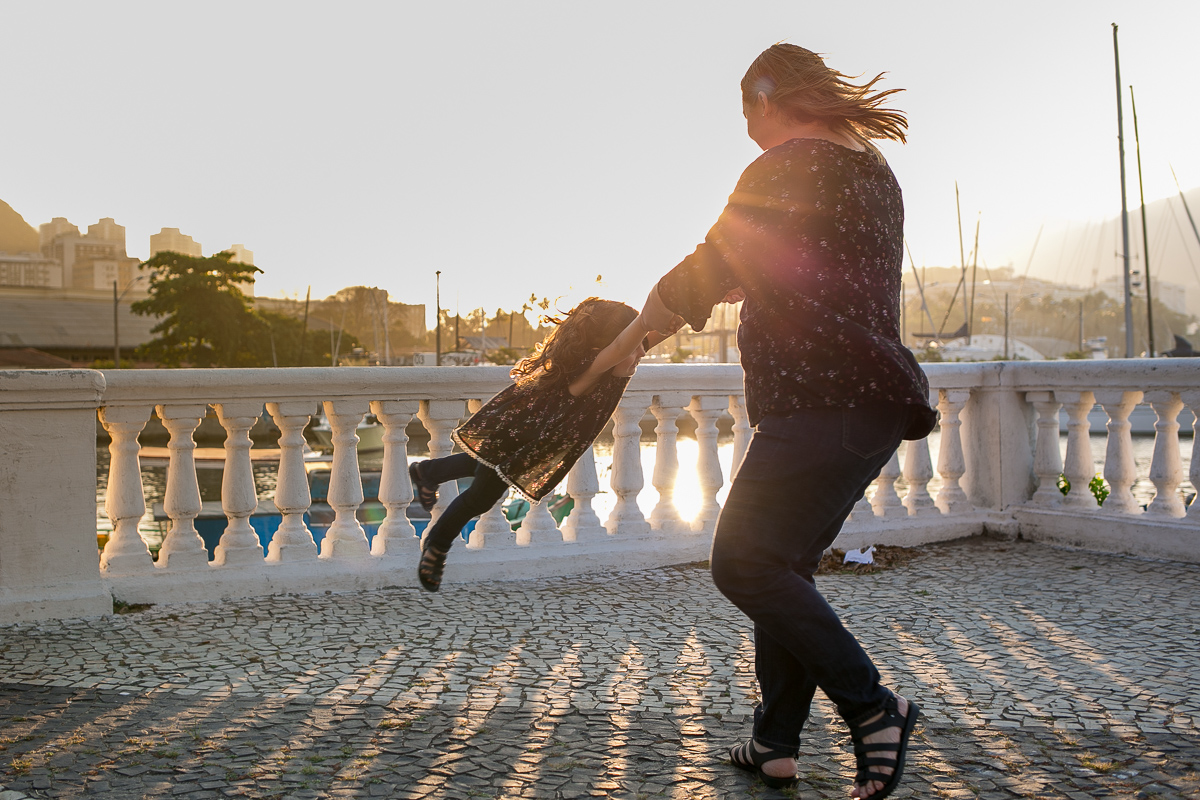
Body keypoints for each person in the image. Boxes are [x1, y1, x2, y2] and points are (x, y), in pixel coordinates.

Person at [637, 44, 938, 800]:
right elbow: (813, 264)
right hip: (869, 403)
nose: (747, 133)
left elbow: (699, 273)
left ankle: (874, 708)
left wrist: (623, 345)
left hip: (820, 402)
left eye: (748, 113)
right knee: (781, 565)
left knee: (743, 563)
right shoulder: (872, 170)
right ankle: (775, 740)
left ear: (770, 98)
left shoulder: (784, 164)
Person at [409, 297, 681, 592]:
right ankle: (437, 545)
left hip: (533, 434)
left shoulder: (617, 364)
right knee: (481, 497)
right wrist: (646, 319)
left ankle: (427, 472)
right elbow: (621, 347)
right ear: (604, 350)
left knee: (479, 464)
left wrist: (677, 317)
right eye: (635, 345)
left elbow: (642, 338)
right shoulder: (593, 368)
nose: (642, 351)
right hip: (524, 432)